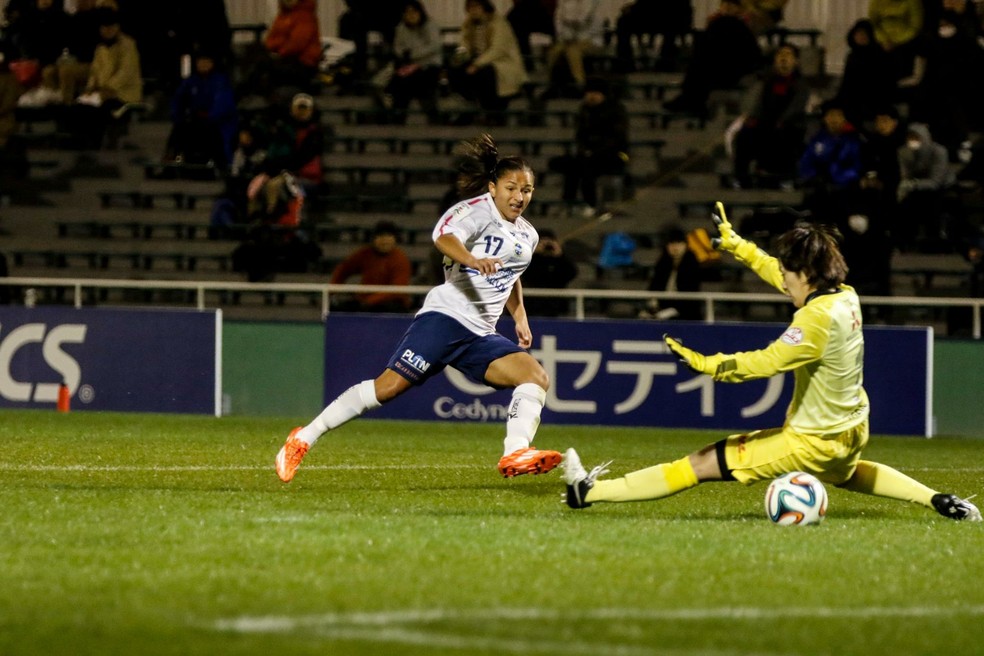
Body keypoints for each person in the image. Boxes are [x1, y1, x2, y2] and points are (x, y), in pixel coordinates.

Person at [560, 202, 981, 523]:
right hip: (851, 429)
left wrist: (709, 365)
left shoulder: (814, 318)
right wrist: (740, 248)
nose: (782, 279)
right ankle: (938, 500)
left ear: (805, 274)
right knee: (847, 474)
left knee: (702, 463)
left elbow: (765, 363)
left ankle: (587, 493)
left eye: (787, 272)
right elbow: (780, 278)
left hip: (811, 441)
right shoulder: (843, 295)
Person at [276, 133, 562, 483]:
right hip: (446, 318)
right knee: (387, 389)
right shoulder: (474, 212)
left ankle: (515, 452)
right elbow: (443, 237)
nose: (519, 197)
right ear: (492, 187)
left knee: (535, 377)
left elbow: (512, 274)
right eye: (511, 188)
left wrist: (519, 316)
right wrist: (472, 259)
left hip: (480, 334)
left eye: (527, 190)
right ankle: (303, 438)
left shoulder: (528, 236)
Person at [729, 43, 810, 189]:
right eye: (780, 55)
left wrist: (781, 120)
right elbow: (759, 104)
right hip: (766, 123)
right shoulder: (768, 82)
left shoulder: (800, 84)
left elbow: (796, 107)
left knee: (781, 135)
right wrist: (752, 117)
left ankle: (781, 176)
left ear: (796, 61)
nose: (783, 59)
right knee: (744, 135)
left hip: (789, 125)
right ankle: (741, 177)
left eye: (788, 55)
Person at [662, 0, 761, 116]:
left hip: (733, 69)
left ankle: (691, 99)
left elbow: (750, 55)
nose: (727, 8)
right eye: (725, 5)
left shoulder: (738, 25)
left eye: (731, 5)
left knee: (701, 68)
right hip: (718, 67)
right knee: (700, 67)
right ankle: (692, 99)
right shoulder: (719, 24)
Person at [550, 76, 629, 215]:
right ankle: (568, 202)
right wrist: (584, 150)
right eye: (589, 93)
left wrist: (594, 152)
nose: (591, 96)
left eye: (595, 93)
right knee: (572, 166)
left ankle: (590, 204)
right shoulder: (584, 110)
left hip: (615, 155)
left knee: (588, 167)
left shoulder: (616, 110)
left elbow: (616, 138)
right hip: (588, 153)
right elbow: (580, 135)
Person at [447, 0, 528, 125]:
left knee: (486, 73)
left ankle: (493, 115)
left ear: (485, 7)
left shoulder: (499, 23)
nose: (473, 10)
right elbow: (464, 46)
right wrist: (456, 60)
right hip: (480, 61)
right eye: (470, 7)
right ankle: (468, 110)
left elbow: (498, 50)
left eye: (476, 6)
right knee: (454, 70)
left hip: (502, 63)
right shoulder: (468, 24)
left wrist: (477, 64)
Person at [163, 48, 237, 168]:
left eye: (206, 61)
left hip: (216, 122)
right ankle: (170, 160)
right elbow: (179, 99)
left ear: (212, 63)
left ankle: (218, 162)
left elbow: (222, 104)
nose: (202, 64)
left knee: (209, 130)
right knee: (180, 128)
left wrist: (209, 117)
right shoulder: (191, 81)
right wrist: (178, 116)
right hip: (195, 119)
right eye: (200, 61)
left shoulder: (220, 81)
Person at [329, 220, 414, 313]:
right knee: (338, 308)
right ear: (373, 239)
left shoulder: (400, 259)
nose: (384, 240)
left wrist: (369, 302)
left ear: (395, 239)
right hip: (364, 301)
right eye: (380, 236)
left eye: (389, 236)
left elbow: (397, 289)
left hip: (390, 303)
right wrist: (332, 290)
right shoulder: (364, 254)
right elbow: (343, 269)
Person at [384, 0, 442, 125]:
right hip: (408, 66)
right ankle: (398, 116)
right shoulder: (401, 28)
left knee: (404, 81)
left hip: (429, 65)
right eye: (407, 12)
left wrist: (413, 56)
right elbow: (398, 48)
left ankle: (399, 114)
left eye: (413, 12)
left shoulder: (430, 26)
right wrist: (407, 58)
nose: (411, 15)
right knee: (402, 80)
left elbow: (434, 47)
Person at [540, 0, 604, 99]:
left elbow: (582, 19)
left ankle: (580, 83)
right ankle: (551, 84)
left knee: (573, 52)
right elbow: (558, 20)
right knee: (553, 52)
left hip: (589, 39)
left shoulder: (591, 2)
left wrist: (568, 22)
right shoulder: (563, 2)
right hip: (567, 38)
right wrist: (564, 35)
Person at [639, 225, 702, 321]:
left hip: (685, 310)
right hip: (662, 307)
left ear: (685, 245)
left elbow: (691, 293)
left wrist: (673, 310)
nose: (675, 247)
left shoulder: (691, 262)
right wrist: (653, 304)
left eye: (679, 243)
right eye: (672, 244)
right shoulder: (662, 263)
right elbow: (654, 286)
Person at [613, 0, 693, 73]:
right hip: (669, 15)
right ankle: (666, 59)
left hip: (666, 15)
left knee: (623, 22)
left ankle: (625, 60)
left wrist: (633, 9)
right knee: (623, 22)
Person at [522, 228, 579, 317]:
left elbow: (572, 273)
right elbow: (524, 274)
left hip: (556, 306)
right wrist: (533, 254)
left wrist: (560, 256)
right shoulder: (530, 259)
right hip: (531, 306)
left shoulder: (560, 260)